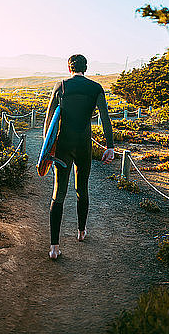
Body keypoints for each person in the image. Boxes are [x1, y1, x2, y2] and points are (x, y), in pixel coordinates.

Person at [43, 54, 114, 260]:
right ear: (86, 68)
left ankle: (54, 247)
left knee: (59, 192)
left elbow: (48, 121)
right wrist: (109, 147)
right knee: (82, 189)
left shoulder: (61, 86)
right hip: (84, 146)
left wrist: (47, 151)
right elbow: (105, 119)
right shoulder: (95, 88)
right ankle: (81, 232)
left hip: (63, 146)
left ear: (69, 67)